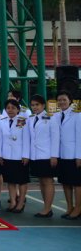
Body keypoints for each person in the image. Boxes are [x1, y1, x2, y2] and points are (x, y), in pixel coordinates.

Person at [27, 94, 59, 218]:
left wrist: (54, 156)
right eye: (33, 105)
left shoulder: (51, 118)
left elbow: (55, 138)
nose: (35, 107)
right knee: (41, 181)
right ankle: (46, 207)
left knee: (48, 181)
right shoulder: (31, 118)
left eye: (37, 105)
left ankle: (47, 209)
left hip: (47, 155)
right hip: (35, 155)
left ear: (43, 105)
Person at [0, 99, 30, 213]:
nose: (10, 110)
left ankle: (21, 203)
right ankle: (13, 202)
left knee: (21, 181)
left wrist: (26, 155)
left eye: (13, 108)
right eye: (8, 108)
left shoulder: (22, 121)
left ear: (18, 110)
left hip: (19, 155)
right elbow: (0, 139)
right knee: (10, 181)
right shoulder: (2, 121)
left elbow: (26, 139)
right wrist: (0, 155)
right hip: (7, 155)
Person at [57, 91, 81, 220]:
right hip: (62, 154)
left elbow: (79, 137)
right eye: (59, 100)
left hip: (73, 155)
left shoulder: (77, 115)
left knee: (77, 183)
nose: (61, 102)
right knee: (65, 183)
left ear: (70, 101)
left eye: (64, 100)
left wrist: (79, 156)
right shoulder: (57, 115)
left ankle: (78, 208)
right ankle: (69, 207)